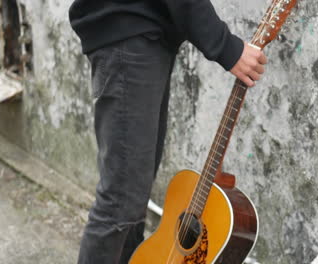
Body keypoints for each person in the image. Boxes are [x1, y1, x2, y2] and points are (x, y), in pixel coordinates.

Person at [68, 0, 267, 263]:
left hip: (144, 35)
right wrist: (226, 47)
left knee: (130, 201)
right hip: (129, 32)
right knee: (120, 202)